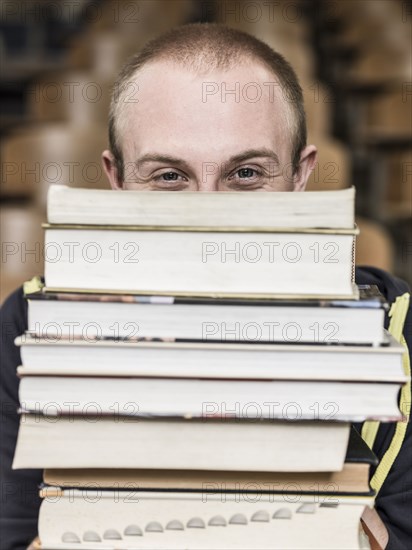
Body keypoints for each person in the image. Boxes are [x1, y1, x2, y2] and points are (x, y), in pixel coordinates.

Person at [1, 23, 410, 550]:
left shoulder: (395, 334)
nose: (209, 214)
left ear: (301, 176)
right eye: (170, 177)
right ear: (119, 182)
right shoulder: (36, 330)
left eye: (245, 174)